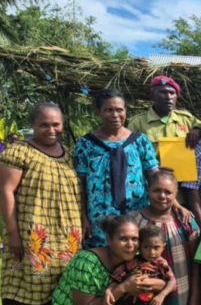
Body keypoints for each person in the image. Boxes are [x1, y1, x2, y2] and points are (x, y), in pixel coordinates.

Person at [1, 102, 82, 305]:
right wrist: (13, 233)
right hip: (32, 232)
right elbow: (6, 192)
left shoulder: (69, 154)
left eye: (56, 124)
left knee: (58, 288)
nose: (51, 129)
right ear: (33, 125)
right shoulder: (18, 152)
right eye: (44, 124)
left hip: (66, 235)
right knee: (23, 288)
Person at [75, 89, 185, 248]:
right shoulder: (85, 144)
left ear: (125, 111)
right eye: (108, 110)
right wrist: (83, 216)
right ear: (99, 112)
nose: (115, 115)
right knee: (104, 256)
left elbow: (155, 177)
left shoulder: (139, 141)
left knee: (136, 253)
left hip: (137, 213)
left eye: (119, 110)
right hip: (99, 216)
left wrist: (176, 204)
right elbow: (81, 184)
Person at [127, 170, 201, 305]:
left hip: (181, 287)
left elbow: (196, 262)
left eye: (168, 192)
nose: (162, 196)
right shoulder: (134, 220)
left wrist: (195, 297)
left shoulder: (185, 220)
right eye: (157, 190)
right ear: (148, 191)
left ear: (176, 195)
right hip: (144, 288)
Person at [127, 76, 201, 150]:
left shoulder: (186, 119)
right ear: (152, 96)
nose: (168, 97)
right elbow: (130, 152)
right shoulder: (137, 123)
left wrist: (197, 129)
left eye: (172, 93)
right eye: (163, 92)